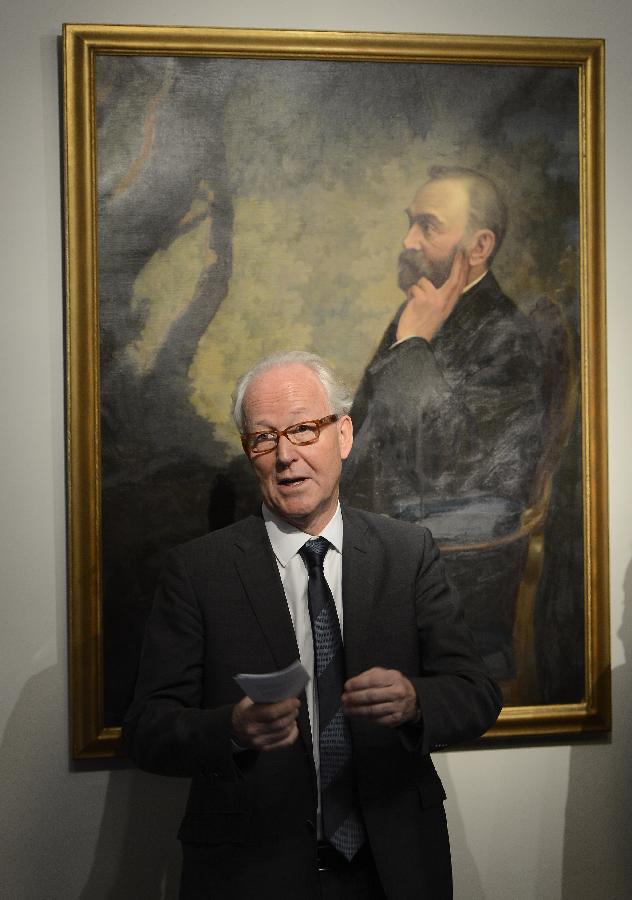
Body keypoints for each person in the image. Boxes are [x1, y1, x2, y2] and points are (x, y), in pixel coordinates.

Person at [124, 350, 502, 900]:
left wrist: (416, 702)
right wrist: (230, 727)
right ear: (249, 453)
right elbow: (147, 730)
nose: (286, 457)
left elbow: (476, 693)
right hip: (249, 875)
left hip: (394, 868)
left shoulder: (407, 552)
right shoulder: (197, 572)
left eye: (303, 429)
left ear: (343, 436)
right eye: (264, 438)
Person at [342, 167, 547, 681]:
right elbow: (365, 428)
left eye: (427, 227)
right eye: (410, 223)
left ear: (478, 247)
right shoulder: (427, 309)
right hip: (370, 528)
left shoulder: (507, 336)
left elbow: (448, 469)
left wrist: (413, 345)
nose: (408, 241)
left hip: (446, 566)